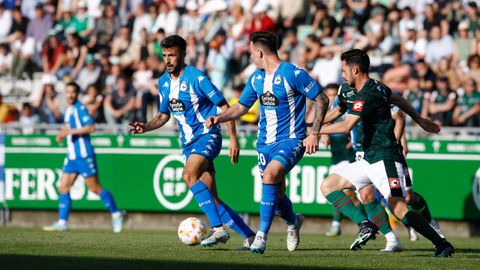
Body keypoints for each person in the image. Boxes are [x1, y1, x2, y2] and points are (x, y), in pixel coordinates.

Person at [318, 49, 454, 257]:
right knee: (329, 186)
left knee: (399, 207)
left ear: (355, 69)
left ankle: (442, 243)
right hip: (365, 158)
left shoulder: (371, 92)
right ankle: (366, 225)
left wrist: (313, 131)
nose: (342, 73)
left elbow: (346, 126)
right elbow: (339, 111)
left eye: (344, 69)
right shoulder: (347, 89)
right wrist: (313, 123)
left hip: (384, 157)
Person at [206, 31, 329, 254]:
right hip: (264, 144)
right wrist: (219, 118)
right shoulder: (256, 78)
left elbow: (322, 98)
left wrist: (315, 133)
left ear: (259, 51)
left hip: (291, 139)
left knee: (269, 176)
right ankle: (293, 221)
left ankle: (261, 237)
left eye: (252, 52)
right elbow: (242, 107)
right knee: (278, 194)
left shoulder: (293, 73)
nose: (251, 57)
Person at [129, 35, 255, 249]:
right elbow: (163, 116)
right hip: (188, 144)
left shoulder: (197, 78)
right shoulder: (163, 83)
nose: (168, 60)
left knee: (188, 175)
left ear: (183, 55)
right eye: (165, 55)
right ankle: (250, 236)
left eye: (173, 55)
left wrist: (234, 139)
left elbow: (225, 107)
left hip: (208, 136)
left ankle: (218, 230)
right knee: (212, 199)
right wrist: (146, 127)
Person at [43, 82, 125, 232]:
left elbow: (91, 127)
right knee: (63, 187)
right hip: (72, 156)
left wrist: (69, 132)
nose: (70, 95)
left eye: (73, 92)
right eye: (67, 92)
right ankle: (63, 222)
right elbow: (70, 129)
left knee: (94, 188)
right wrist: (63, 134)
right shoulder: (69, 110)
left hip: (84, 154)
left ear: (77, 94)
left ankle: (116, 214)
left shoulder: (80, 108)